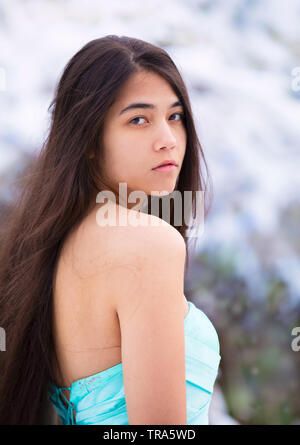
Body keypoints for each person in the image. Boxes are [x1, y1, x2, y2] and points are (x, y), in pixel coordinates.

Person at [0, 35, 221, 425]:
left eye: (175, 116)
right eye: (138, 119)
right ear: (87, 138)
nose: (168, 140)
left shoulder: (48, 244)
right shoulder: (148, 245)